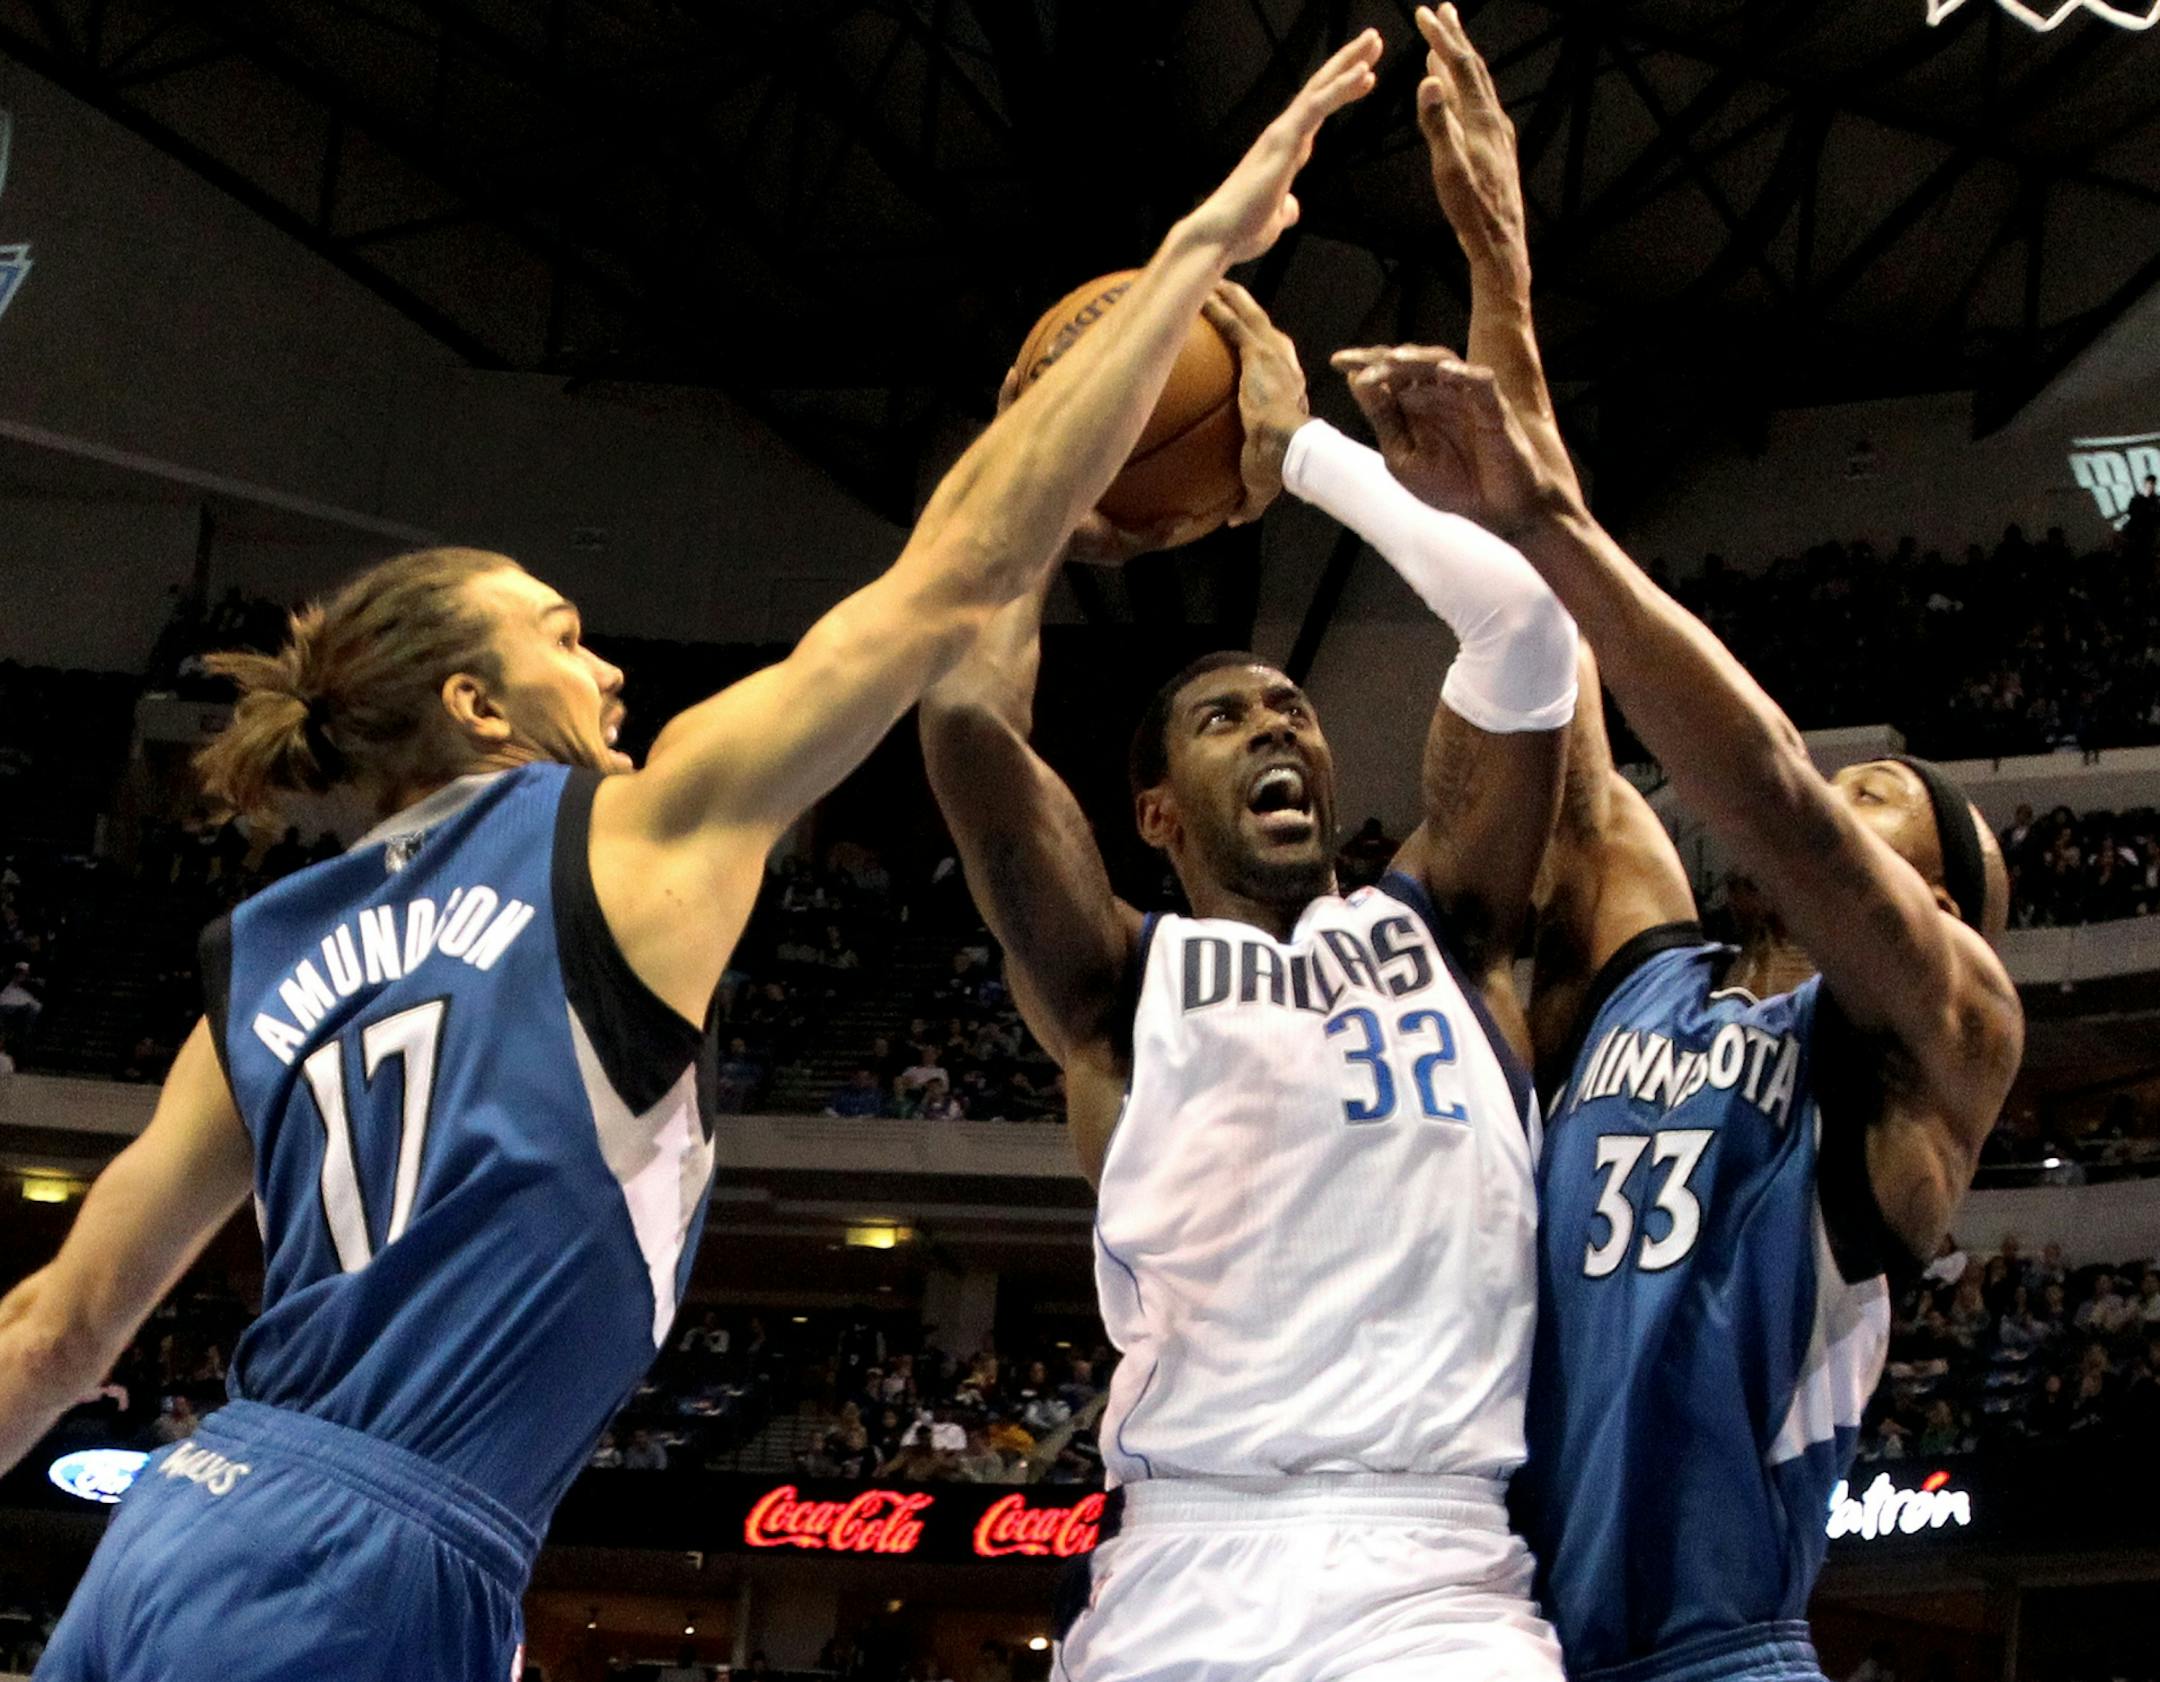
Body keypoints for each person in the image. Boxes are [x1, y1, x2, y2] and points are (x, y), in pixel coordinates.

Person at [0, 40, 1383, 1680]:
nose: (608, 672)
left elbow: (53, 1331)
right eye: (561, 635)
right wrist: (1197, 253)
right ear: (476, 704)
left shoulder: (264, 957)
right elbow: (942, 581)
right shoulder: (630, 833)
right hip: (367, 1567)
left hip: (181, 1521)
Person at [1338, 12, 2023, 1681]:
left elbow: (1772, 793)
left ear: (1935, 898)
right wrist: (1502, 270)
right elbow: (1552, 666)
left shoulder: (1944, 1037)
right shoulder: (1662, 975)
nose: (1847, 788)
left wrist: (1550, 515)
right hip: (1511, 1639)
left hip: (1720, 1654)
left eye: (1887, 796)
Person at [922, 76, 1574, 1682]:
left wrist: (1302, 458)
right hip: (1187, 1563)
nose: (1277, 720)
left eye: (1290, 706)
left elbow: (1524, 627)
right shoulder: (1116, 983)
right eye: (1225, 717)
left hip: (1435, 1571)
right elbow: (962, 717)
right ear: (1153, 810)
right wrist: (1043, 478)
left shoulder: (1449, 926)